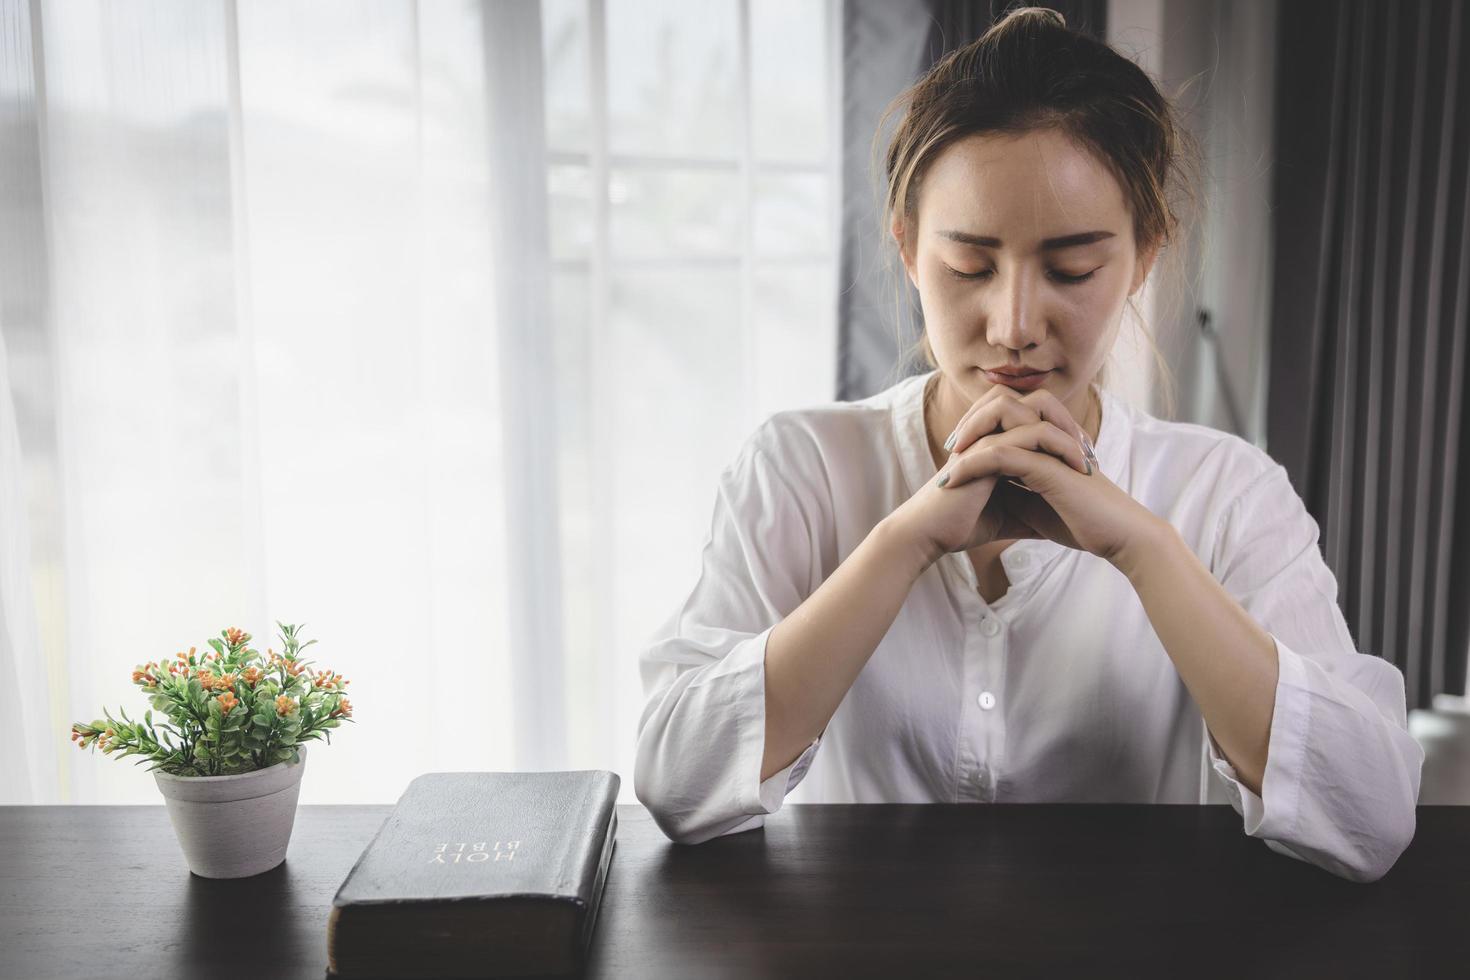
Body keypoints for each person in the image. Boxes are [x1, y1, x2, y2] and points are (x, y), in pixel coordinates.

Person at [632, 6, 1423, 883]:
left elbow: (1373, 815)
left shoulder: (1224, 491)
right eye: (969, 266)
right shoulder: (800, 468)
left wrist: (1142, 547)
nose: (1012, 326)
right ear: (905, 247)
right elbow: (676, 782)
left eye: (1072, 269)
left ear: (1145, 255)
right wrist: (905, 540)